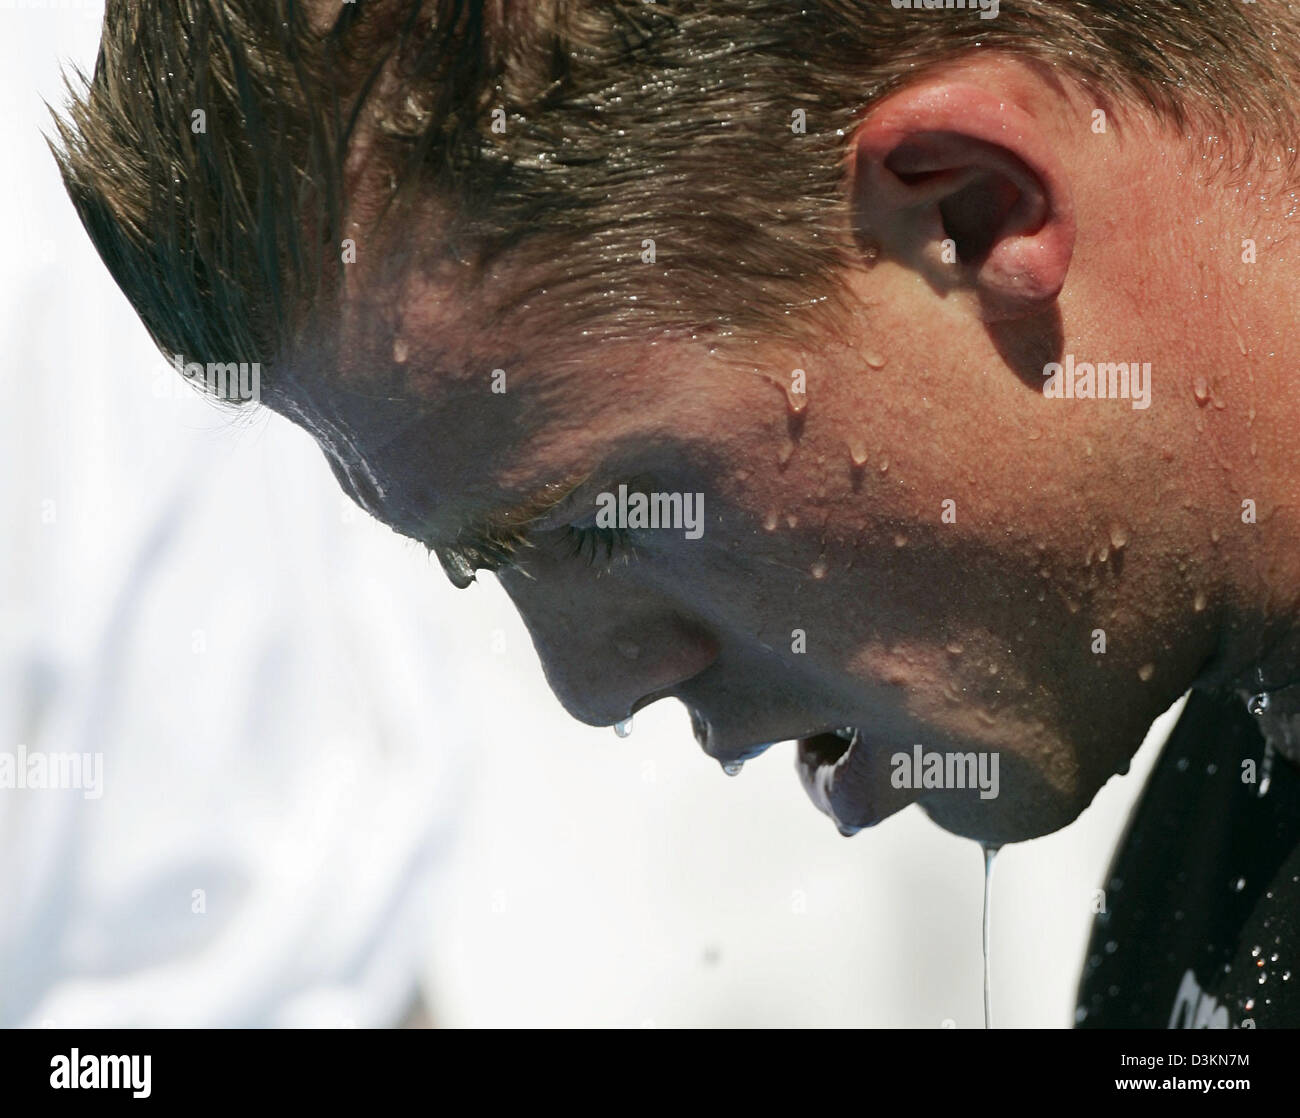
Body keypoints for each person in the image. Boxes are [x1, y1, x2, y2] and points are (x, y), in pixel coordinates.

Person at [53, 0, 1300, 1027]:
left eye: (602, 520)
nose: (592, 688)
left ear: (971, 214)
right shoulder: (1230, 800)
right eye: (474, 568)